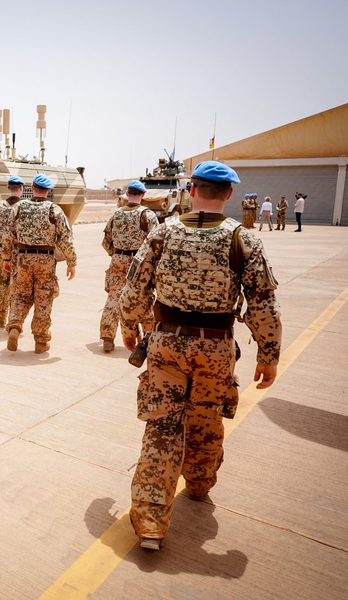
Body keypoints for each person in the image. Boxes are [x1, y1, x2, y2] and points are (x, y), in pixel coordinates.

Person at [119, 160, 282, 550]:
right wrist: (269, 353)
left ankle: (151, 524)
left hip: (166, 343)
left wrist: (128, 326)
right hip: (215, 346)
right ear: (229, 194)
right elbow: (263, 304)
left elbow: (134, 289)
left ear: (191, 190)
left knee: (162, 428)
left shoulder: (162, 233)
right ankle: (198, 483)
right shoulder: (243, 240)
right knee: (206, 416)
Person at [1, 173, 77, 353]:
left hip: (23, 258)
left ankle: (14, 326)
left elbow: (8, 235)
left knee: (20, 295)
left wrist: (6, 258)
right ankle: (41, 341)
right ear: (48, 190)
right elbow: (65, 239)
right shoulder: (54, 210)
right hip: (45, 260)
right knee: (44, 298)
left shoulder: (18, 208)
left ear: (32, 188)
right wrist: (71, 261)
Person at [99, 180, 158, 352]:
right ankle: (148, 336)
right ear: (143, 195)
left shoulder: (116, 214)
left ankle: (107, 337)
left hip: (118, 259)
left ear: (127, 194)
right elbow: (156, 243)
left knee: (114, 297)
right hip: (139, 263)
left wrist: (116, 254)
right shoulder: (148, 216)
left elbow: (106, 241)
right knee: (142, 297)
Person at [0, 175, 25, 327]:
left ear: (8, 188)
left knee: (2, 283)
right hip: (19, 252)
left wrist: (2, 233)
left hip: (1, 250)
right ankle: (14, 320)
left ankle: (1, 317)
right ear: (21, 188)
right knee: (18, 286)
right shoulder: (25, 206)